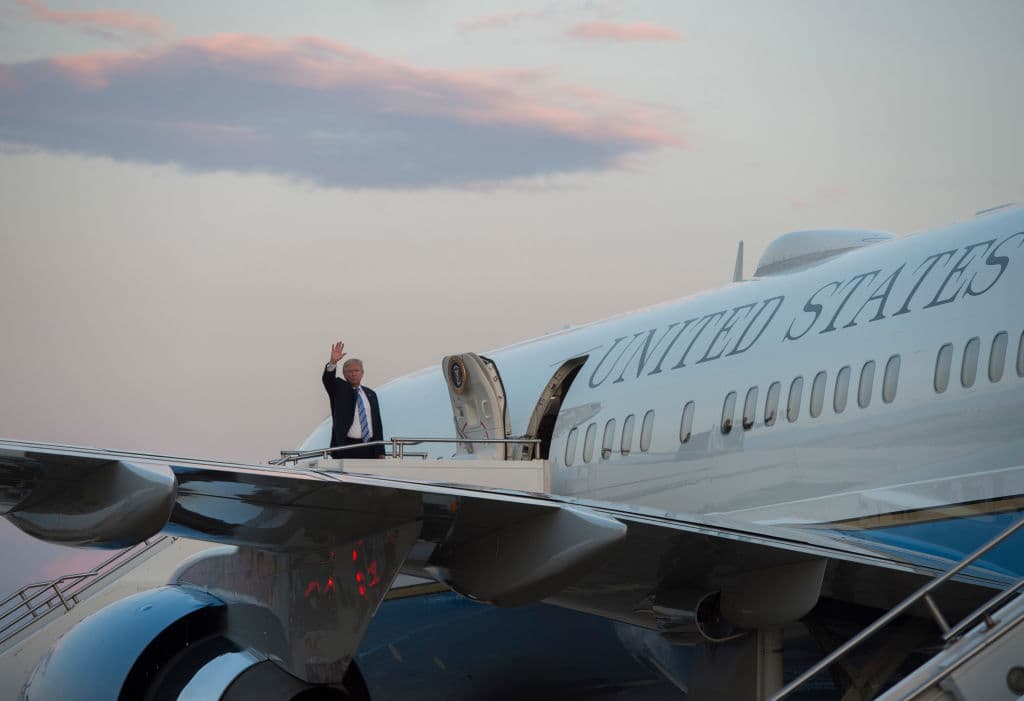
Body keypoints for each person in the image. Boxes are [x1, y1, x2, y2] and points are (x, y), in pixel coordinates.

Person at [322, 341, 385, 459]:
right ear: (344, 374)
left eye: (356, 371)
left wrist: (381, 451)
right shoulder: (339, 389)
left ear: (362, 373)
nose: (353, 374)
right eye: (349, 371)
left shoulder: (370, 394)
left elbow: (377, 424)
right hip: (347, 447)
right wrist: (333, 362)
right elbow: (328, 379)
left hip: (370, 447)